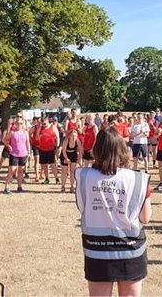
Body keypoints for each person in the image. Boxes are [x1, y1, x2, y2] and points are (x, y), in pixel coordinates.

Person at [75, 127, 151, 297]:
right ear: (123, 150)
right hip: (130, 249)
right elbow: (145, 218)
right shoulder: (137, 178)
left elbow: (82, 207)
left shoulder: (84, 176)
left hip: (96, 249)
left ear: (96, 150)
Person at [3, 115, 30, 194]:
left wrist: (28, 152)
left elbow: (27, 143)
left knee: (21, 170)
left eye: (21, 123)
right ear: (15, 124)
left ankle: (19, 186)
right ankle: (6, 187)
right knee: (12, 170)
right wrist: (8, 146)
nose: (19, 125)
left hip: (23, 153)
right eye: (17, 123)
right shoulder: (12, 133)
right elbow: (4, 140)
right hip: (14, 153)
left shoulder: (25, 133)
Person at [37, 116, 60, 184]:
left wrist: (57, 146)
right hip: (42, 148)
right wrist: (39, 136)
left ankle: (56, 178)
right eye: (42, 124)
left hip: (51, 148)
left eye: (45, 123)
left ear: (48, 121)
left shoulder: (53, 127)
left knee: (52, 164)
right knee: (44, 165)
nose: (44, 125)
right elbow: (37, 137)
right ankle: (47, 178)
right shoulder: (40, 128)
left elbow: (57, 136)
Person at [60, 128, 82, 193]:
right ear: (70, 135)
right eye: (72, 136)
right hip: (65, 154)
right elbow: (63, 151)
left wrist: (79, 159)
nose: (73, 137)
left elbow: (80, 151)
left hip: (73, 154)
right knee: (64, 171)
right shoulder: (66, 140)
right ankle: (63, 186)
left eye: (75, 136)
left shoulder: (77, 141)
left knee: (72, 171)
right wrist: (66, 158)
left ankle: (72, 186)